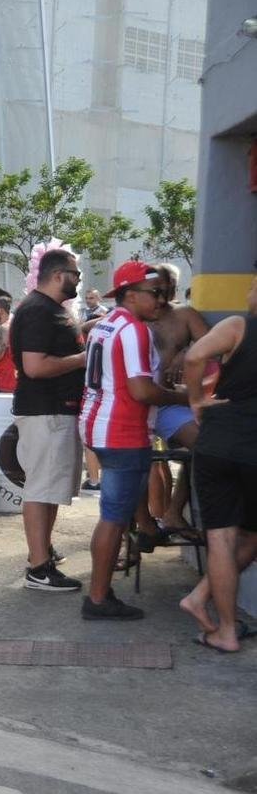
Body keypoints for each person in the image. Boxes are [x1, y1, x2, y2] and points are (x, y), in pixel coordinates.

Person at [80, 261, 186, 620]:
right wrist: (184, 398)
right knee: (113, 519)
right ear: (130, 295)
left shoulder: (104, 324)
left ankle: (100, 592)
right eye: (154, 293)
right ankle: (98, 598)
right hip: (122, 432)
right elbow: (141, 390)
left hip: (101, 427)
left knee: (112, 517)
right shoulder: (134, 330)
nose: (161, 299)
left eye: (162, 292)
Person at [178, 275, 257, 652]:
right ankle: (203, 601)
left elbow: (195, 356)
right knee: (250, 537)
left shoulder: (238, 326)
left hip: (220, 442)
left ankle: (222, 626)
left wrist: (196, 400)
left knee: (222, 537)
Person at [9, 247, 88, 592]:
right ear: (58, 275)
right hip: (46, 412)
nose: (79, 280)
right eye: (75, 274)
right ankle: (39, 567)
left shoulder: (47, 309)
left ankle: (42, 555)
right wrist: (83, 359)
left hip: (54, 411)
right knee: (41, 489)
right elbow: (35, 366)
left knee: (49, 489)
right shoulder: (39, 310)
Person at [141, 263, 209, 536]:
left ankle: (173, 513)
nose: (161, 294)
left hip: (171, 404)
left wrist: (188, 351)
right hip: (136, 404)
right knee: (128, 463)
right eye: (156, 289)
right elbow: (91, 327)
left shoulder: (185, 315)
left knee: (206, 445)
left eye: (167, 287)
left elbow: (214, 345)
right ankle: (138, 529)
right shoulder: (133, 316)